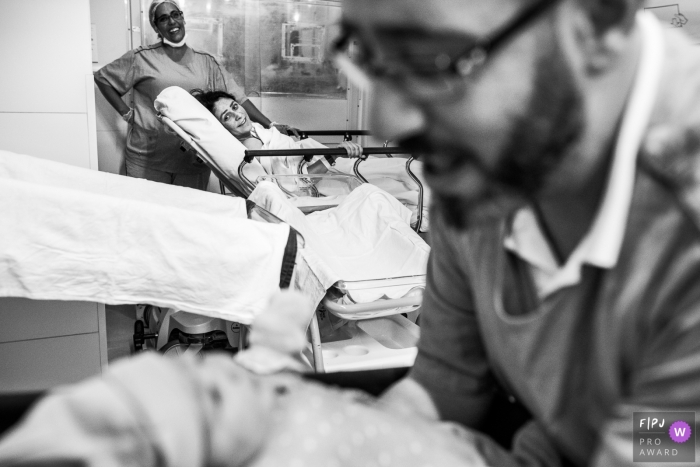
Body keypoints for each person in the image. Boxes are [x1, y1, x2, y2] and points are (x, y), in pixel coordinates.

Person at [332, 0, 700, 465]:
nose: (387, 122)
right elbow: (446, 382)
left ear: (597, 22)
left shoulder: (683, 239)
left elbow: (664, 447)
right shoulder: (493, 166)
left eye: (428, 59)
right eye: (365, 53)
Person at [94, 0, 294, 190]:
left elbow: (238, 99)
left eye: (175, 15)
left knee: (189, 219)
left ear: (183, 18)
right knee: (150, 218)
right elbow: (103, 78)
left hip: (193, 160)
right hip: (148, 157)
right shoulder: (142, 58)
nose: (172, 21)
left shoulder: (206, 62)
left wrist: (270, 125)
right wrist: (126, 113)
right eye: (163, 19)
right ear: (155, 27)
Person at [193, 89, 430, 230]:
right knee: (380, 179)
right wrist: (331, 156)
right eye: (227, 116)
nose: (238, 115)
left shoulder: (259, 131)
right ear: (221, 127)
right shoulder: (247, 157)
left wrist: (297, 140)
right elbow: (297, 184)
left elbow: (295, 152)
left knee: (388, 167)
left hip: (321, 162)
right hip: (322, 179)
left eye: (235, 106)